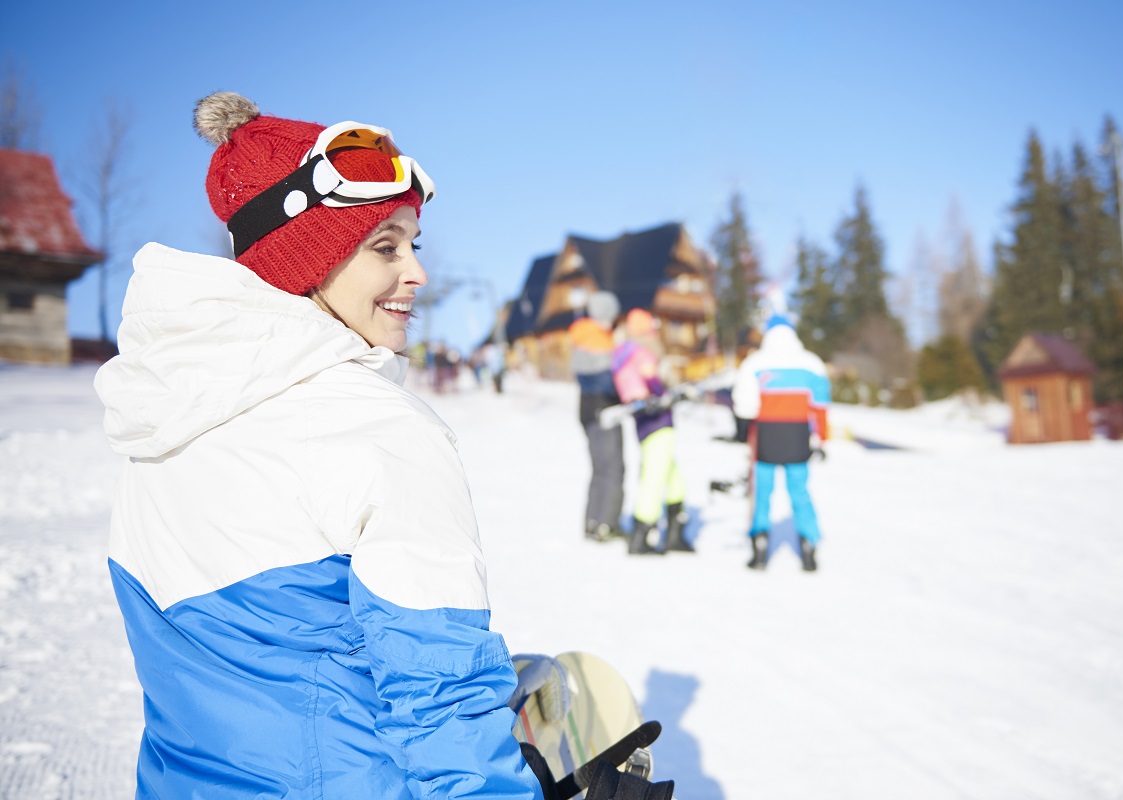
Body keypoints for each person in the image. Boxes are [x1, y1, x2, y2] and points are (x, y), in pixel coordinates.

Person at [93, 91, 541, 799]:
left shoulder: (159, 422)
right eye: (385, 247)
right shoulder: (384, 431)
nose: (417, 273)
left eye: (414, 245)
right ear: (305, 258)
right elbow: (442, 703)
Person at [732, 314, 830, 572]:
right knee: (799, 491)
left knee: (762, 491)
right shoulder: (811, 363)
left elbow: (744, 404)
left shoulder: (755, 362)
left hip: (765, 435)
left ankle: (760, 543)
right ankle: (808, 544)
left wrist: (743, 435)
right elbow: (820, 405)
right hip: (798, 435)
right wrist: (821, 439)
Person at [611, 308, 692, 555]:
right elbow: (652, 384)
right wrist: (668, 393)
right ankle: (641, 535)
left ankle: (675, 533)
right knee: (654, 476)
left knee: (673, 477)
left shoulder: (622, 354)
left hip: (645, 422)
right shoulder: (641, 352)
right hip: (657, 422)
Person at [568, 291, 625, 542]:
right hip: (606, 411)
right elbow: (608, 381)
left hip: (587, 409)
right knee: (613, 467)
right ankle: (606, 524)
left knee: (599, 467)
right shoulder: (601, 340)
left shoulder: (581, 334)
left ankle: (592, 521)